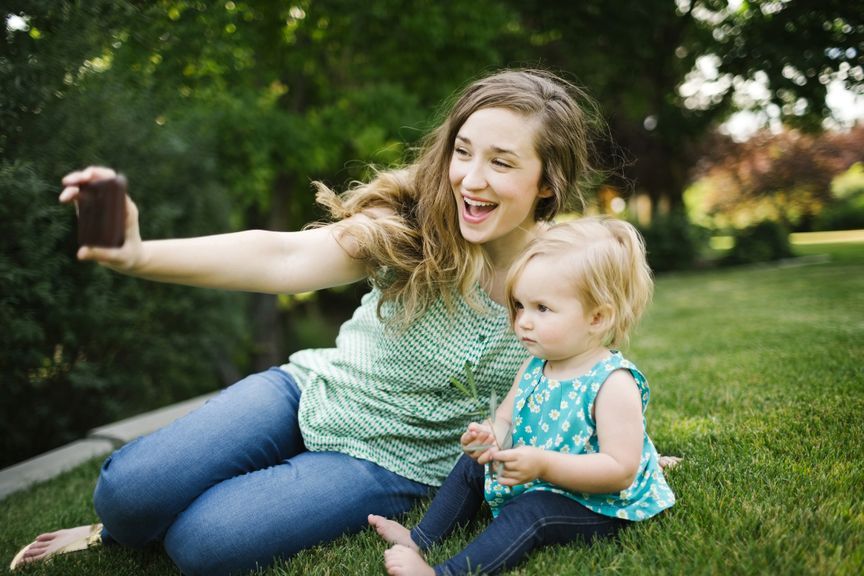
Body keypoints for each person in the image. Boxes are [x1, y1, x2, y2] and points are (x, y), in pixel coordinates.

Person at [10, 69, 606, 575]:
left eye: (501, 162)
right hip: (309, 391)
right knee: (126, 494)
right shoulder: (415, 222)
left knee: (204, 544)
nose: (470, 180)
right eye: (463, 151)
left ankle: (147, 530)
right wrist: (140, 255)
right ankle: (116, 528)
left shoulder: (566, 274)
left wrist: (617, 451)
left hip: (391, 461)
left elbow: (581, 372)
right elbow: (284, 256)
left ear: (547, 180)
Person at [368, 217, 675, 576]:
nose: (524, 322)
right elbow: (506, 418)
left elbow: (619, 471)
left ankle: (445, 573)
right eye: (519, 306)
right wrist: (490, 435)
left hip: (601, 504)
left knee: (533, 511)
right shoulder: (535, 364)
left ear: (597, 317)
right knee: (474, 463)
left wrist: (543, 466)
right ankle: (420, 538)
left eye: (542, 308)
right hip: (545, 474)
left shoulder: (612, 383)